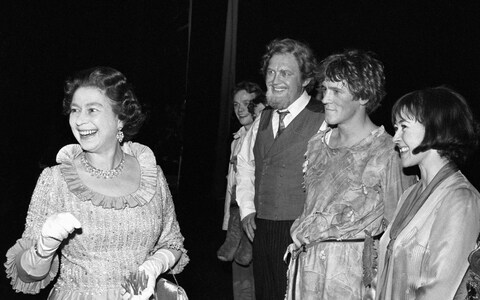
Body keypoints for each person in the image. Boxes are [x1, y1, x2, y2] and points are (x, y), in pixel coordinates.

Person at [5, 67, 189, 299]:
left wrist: (152, 267)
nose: (80, 120)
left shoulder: (151, 174)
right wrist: (44, 248)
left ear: (120, 117)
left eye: (92, 110)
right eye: (75, 110)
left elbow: (172, 243)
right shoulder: (56, 180)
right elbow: (25, 275)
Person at [285, 49, 415, 300]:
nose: (324, 99)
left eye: (336, 91)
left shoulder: (389, 153)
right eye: (325, 89)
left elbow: (399, 236)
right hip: (306, 275)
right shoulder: (316, 145)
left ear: (364, 96)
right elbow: (311, 208)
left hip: (353, 282)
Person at [236, 38, 325, 299]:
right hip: (262, 231)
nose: (275, 80)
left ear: (306, 79)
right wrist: (247, 210)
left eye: (285, 73)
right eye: (271, 72)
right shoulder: (262, 119)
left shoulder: (323, 118)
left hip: (301, 234)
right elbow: (245, 164)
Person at [376, 86, 480, 300]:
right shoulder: (410, 194)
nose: (395, 138)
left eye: (404, 127)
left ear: (436, 129)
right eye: (395, 128)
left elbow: (441, 289)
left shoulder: (460, 198)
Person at [217, 81, 266, 300]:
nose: (239, 109)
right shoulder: (236, 140)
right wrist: (229, 223)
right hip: (237, 220)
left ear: (259, 106)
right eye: (236, 104)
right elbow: (231, 188)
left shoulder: (265, 136)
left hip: (258, 221)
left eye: (246, 103)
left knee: (258, 283)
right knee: (240, 283)